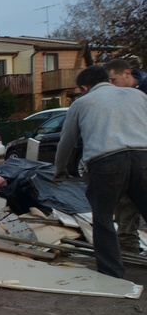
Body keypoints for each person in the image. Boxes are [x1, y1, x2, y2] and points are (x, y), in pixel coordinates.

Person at [54, 66, 147, 279]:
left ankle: (112, 274)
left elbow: (67, 140)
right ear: (107, 79)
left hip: (106, 162)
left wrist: (60, 168)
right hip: (144, 157)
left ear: (85, 87)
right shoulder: (138, 95)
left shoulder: (82, 103)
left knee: (103, 218)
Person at [105, 58, 147, 252]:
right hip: (126, 154)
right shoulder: (117, 95)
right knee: (125, 200)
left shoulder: (142, 92)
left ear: (127, 73)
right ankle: (128, 244)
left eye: (114, 80)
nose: (111, 85)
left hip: (142, 153)